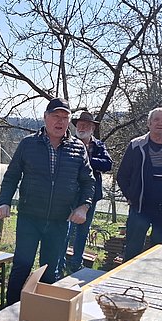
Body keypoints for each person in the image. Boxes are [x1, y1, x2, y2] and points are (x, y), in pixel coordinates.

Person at [0, 98, 95, 305]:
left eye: (65, 117)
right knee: (22, 266)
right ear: (45, 118)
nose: (60, 121)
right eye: (55, 116)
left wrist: (83, 206)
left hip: (60, 220)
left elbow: (88, 182)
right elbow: (12, 176)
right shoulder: (28, 144)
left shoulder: (77, 148)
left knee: (50, 271)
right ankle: (9, 313)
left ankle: (42, 314)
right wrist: (4, 201)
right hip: (29, 218)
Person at [117, 107, 162, 261]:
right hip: (140, 205)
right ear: (149, 123)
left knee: (161, 250)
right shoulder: (136, 145)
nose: (160, 123)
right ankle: (128, 275)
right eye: (156, 119)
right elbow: (123, 175)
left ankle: (155, 276)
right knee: (132, 248)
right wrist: (131, 196)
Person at [60, 111, 113, 273]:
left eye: (85, 125)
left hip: (90, 195)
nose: (81, 128)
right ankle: (59, 263)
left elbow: (107, 164)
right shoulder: (68, 143)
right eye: (79, 125)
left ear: (92, 128)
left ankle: (76, 263)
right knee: (66, 230)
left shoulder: (98, 146)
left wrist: (86, 159)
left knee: (83, 231)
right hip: (69, 194)